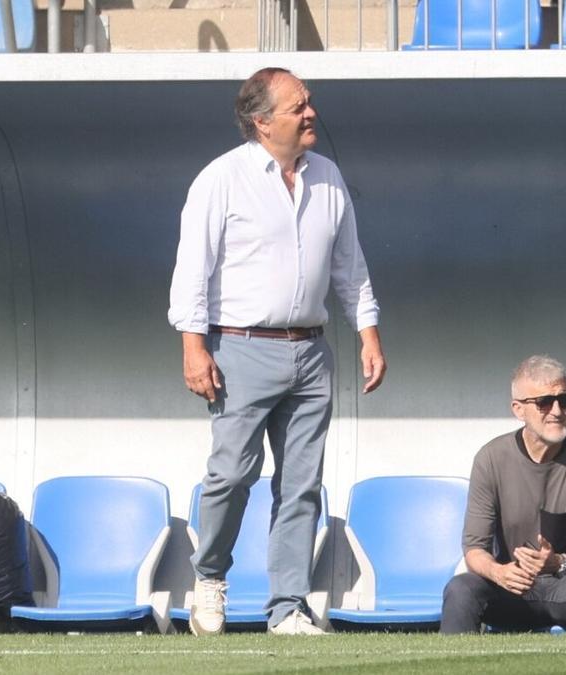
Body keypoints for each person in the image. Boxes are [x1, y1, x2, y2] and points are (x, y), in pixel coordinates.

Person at [168, 67, 386, 636]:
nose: (311, 113)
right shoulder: (221, 179)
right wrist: (194, 348)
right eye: (298, 107)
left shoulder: (329, 176)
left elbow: (349, 267)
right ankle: (210, 579)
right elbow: (193, 271)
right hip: (239, 348)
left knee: (301, 485)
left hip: (312, 354)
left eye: (309, 102)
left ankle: (287, 606)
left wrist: (367, 332)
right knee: (232, 475)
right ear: (262, 123)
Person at [441, 355, 566, 634]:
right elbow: (475, 549)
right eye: (544, 402)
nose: (558, 411)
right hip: (511, 588)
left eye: (565, 400)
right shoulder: (491, 458)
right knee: (461, 588)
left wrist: (560, 562)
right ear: (518, 409)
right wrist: (498, 573)